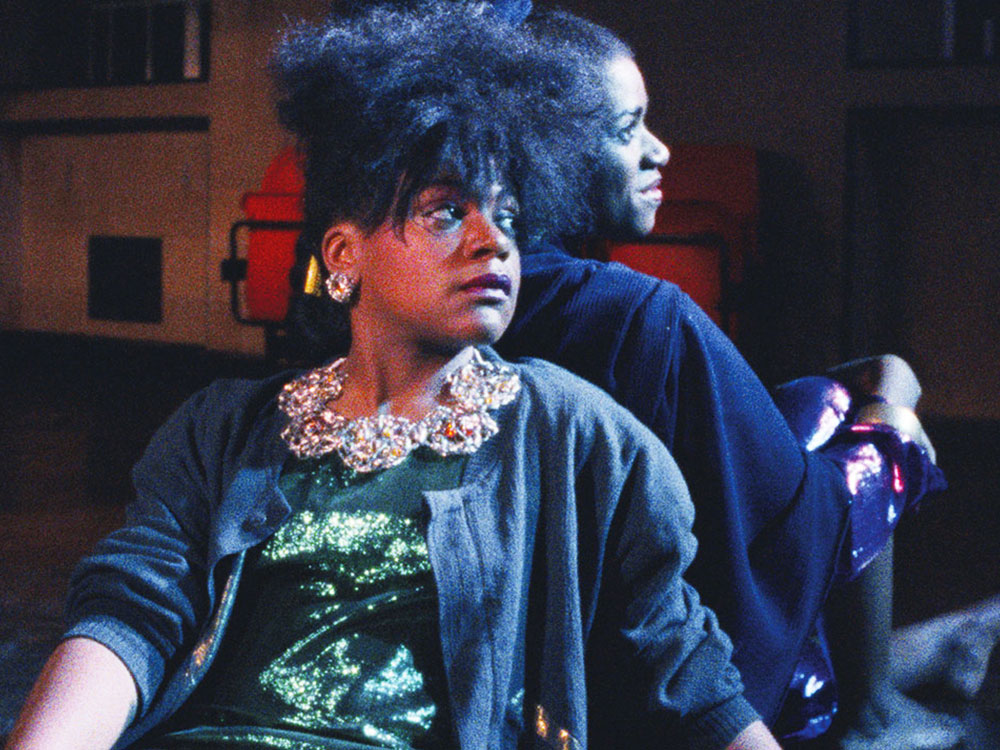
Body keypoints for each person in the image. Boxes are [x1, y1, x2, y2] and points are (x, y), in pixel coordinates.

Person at [4, 4, 782, 749]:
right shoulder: (224, 427)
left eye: (508, 215)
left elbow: (689, 673)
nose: (492, 242)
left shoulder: (572, 430)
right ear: (343, 254)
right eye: (447, 212)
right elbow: (131, 613)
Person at [486, 5, 999, 749]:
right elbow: (800, 521)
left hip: (538, 642)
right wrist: (890, 415)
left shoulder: (466, 298)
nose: (661, 151)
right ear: (548, 152)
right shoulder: (642, 315)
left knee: (805, 401)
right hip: (645, 666)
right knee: (846, 404)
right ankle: (874, 713)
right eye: (628, 130)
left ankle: (904, 665)